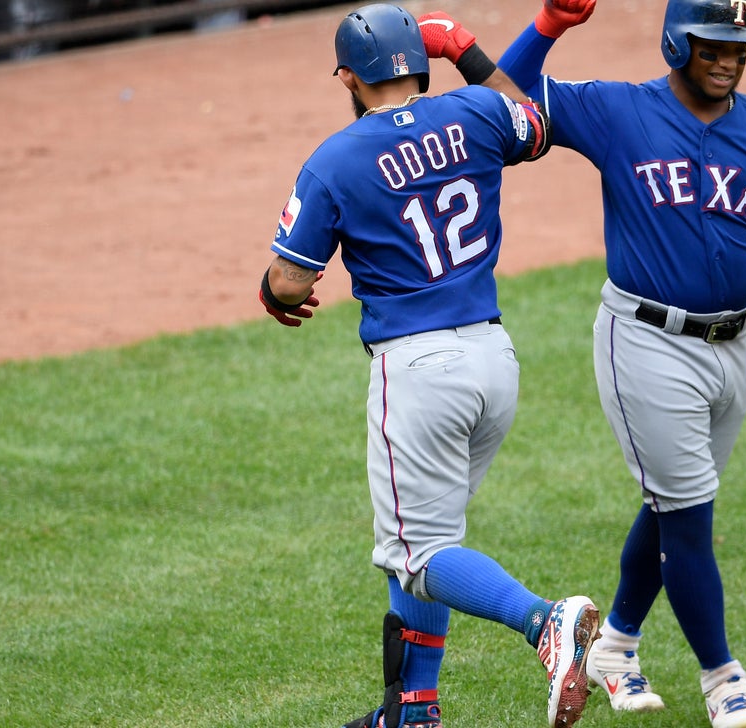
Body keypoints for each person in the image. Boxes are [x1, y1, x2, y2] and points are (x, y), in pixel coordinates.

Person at [256, 5, 600, 727]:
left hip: (418, 371)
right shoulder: (476, 110)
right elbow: (530, 121)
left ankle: (546, 622)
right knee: (425, 540)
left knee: (418, 553)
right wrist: (467, 51)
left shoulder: (336, 159)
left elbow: (289, 281)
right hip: (494, 359)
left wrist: (272, 292)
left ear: (349, 76)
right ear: (420, 62)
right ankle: (413, 712)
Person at [495, 1, 746, 726]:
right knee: (688, 515)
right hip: (644, 343)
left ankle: (614, 643)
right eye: (714, 44)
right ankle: (723, 679)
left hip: (732, 347)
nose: (729, 59)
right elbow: (507, 96)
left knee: (674, 500)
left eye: (739, 47)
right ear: (679, 40)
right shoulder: (618, 111)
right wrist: (550, 25)